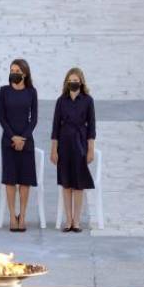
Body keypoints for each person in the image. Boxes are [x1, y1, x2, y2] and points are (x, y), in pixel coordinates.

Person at [50, 68, 96, 233]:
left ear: (81, 82)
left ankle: (77, 221)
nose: (73, 83)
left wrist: (90, 150)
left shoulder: (88, 101)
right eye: (70, 80)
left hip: (80, 143)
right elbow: (55, 127)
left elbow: (91, 128)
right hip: (64, 143)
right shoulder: (61, 101)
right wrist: (54, 150)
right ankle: (68, 220)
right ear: (66, 82)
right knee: (66, 183)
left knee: (78, 184)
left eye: (76, 80)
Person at [0, 59, 38, 232]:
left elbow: (34, 118)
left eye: (17, 70)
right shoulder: (4, 91)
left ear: (24, 73)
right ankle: (12, 216)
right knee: (10, 180)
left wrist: (23, 138)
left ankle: (22, 216)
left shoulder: (31, 92)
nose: (13, 72)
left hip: (26, 142)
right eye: (11, 70)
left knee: (24, 181)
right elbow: (2, 117)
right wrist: (13, 137)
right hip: (8, 141)